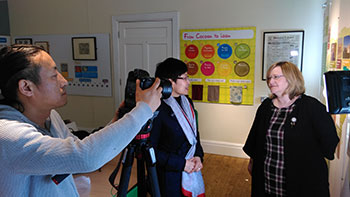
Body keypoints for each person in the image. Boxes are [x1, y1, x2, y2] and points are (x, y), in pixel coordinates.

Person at [0, 44, 162, 196]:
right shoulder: (8, 135)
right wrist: (144, 110)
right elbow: (85, 157)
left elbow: (74, 151)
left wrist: (119, 120)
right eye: (54, 76)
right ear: (26, 87)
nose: (64, 82)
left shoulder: (50, 115)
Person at [243, 61, 339, 197]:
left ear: (291, 78)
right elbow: (256, 140)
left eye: (276, 77)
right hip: (268, 180)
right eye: (269, 77)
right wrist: (252, 161)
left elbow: (329, 143)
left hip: (302, 184)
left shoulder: (312, 107)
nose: (271, 81)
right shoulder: (266, 107)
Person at [149, 57, 205, 197]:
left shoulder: (187, 102)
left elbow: (194, 135)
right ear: (170, 81)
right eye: (184, 78)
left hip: (190, 170)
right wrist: (181, 164)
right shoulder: (157, 108)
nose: (188, 82)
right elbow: (150, 150)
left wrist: (198, 155)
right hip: (169, 178)